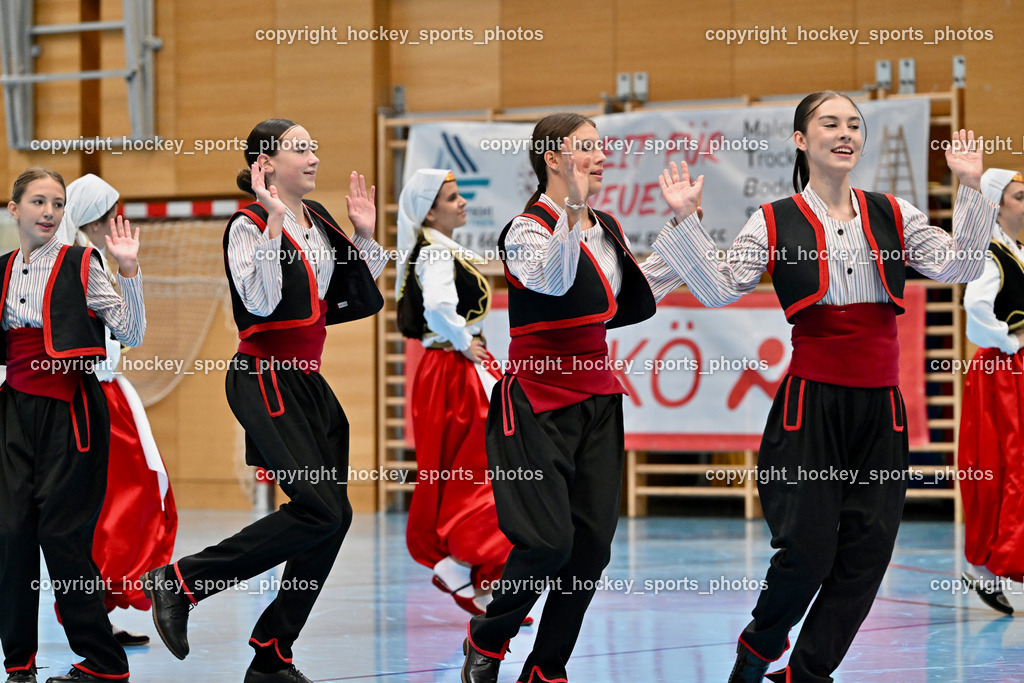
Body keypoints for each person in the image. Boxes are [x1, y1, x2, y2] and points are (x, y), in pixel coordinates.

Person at [651, 91, 997, 682]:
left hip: (882, 409)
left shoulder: (895, 212)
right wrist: (686, 220)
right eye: (830, 123)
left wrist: (970, 187)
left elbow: (961, 267)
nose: (846, 133)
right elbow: (717, 288)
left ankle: (806, 673)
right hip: (809, 406)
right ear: (800, 140)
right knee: (806, 553)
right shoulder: (774, 219)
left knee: (867, 556)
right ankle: (758, 649)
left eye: (855, 125)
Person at [142, 119, 387, 683]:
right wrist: (274, 220)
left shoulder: (319, 220)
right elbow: (263, 300)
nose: (313, 156)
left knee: (335, 515)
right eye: (299, 147)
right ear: (265, 164)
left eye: (314, 146)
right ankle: (182, 582)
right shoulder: (247, 225)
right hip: (263, 376)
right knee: (319, 508)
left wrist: (365, 237)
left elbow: (347, 298)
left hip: (307, 380)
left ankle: (273, 651)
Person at [460, 112, 695, 683]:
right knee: (547, 542)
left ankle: (546, 668)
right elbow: (554, 282)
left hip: (597, 402)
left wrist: (683, 226)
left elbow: (633, 290)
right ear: (552, 158)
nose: (600, 156)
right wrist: (570, 209)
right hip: (535, 405)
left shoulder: (604, 228)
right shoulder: (525, 229)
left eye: (599, 146)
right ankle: (488, 638)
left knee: (590, 551)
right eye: (585, 148)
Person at [0, 167, 145, 683]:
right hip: (14, 412)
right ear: (13, 209)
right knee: (11, 534)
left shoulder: (85, 263)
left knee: (63, 537)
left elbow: (130, 330)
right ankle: (18, 664)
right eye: (37, 202)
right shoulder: (0, 270)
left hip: (72, 412)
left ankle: (104, 663)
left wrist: (129, 272)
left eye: (57, 204)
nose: (48, 212)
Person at [396, 169, 533, 622]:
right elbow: (436, 306)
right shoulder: (434, 253)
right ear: (430, 210)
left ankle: (472, 570)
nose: (462, 204)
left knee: (477, 469)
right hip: (454, 371)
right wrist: (461, 340)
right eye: (453, 198)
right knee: (484, 469)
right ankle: (460, 560)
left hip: (458, 366)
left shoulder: (441, 249)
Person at [57, 173, 178, 648]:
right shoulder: (76, 266)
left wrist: (130, 272)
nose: (118, 221)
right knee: (112, 508)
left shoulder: (102, 264)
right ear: (93, 221)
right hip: (89, 397)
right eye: (110, 215)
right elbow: (126, 335)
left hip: (111, 396)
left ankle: (100, 610)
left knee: (135, 502)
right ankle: (89, 613)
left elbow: (131, 332)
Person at [958, 168, 1024, 615]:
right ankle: (989, 562)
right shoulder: (990, 253)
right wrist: (1008, 341)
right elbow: (974, 307)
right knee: (1002, 462)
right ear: (999, 206)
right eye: (1020, 197)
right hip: (1004, 370)